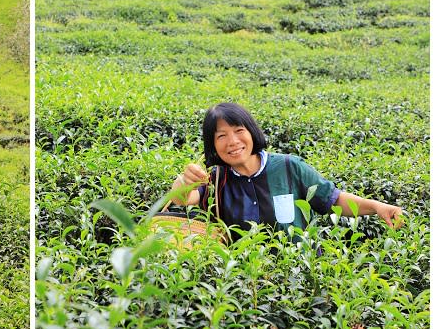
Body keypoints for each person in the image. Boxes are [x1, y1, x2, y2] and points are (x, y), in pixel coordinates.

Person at [170, 102, 403, 238]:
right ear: (213, 145)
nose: (232, 141)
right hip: (243, 287)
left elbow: (333, 200)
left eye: (238, 130)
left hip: (297, 280)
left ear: (251, 132)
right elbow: (183, 199)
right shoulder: (215, 179)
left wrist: (377, 206)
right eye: (221, 136)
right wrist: (183, 181)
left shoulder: (290, 167)